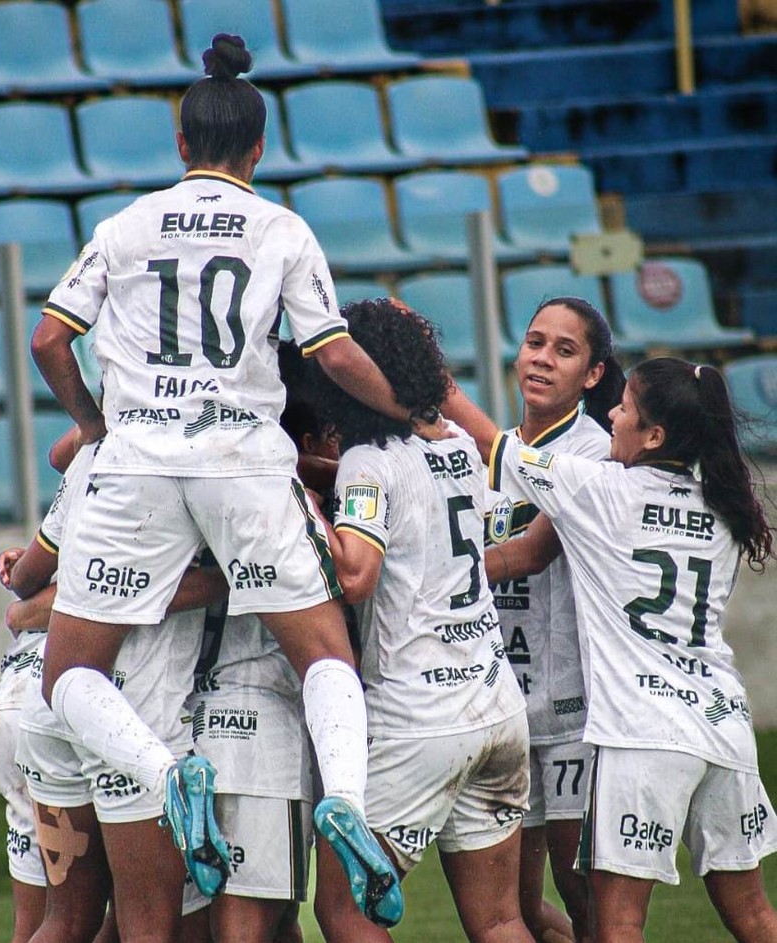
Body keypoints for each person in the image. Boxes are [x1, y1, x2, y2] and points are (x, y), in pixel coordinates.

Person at [30, 33, 443, 926]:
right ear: (259, 150)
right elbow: (332, 352)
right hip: (245, 461)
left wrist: (97, 427)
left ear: (181, 145)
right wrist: (407, 408)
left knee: (67, 670)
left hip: (138, 463)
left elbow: (48, 341)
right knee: (324, 652)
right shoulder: (282, 229)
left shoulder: (125, 225)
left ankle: (170, 771)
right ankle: (345, 801)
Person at [444, 357, 777, 943]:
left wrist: (432, 378)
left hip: (640, 736)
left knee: (617, 924)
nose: (613, 417)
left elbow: (490, 442)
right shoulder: (726, 506)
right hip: (724, 725)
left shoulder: (601, 490)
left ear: (654, 436)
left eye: (625, 408)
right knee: (753, 915)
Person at [305, 298, 533, 943]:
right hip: (494, 703)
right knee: (500, 918)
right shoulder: (457, 442)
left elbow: (356, 575)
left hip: (418, 717)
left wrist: (301, 502)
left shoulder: (367, 461)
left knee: (344, 911)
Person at [5, 436, 227, 943]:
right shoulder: (200, 461)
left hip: (52, 698)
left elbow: (25, 579)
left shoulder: (91, 456)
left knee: (68, 919)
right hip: (132, 721)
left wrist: (26, 597)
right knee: (149, 927)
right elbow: (246, 575)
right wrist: (231, 580)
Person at [179, 343, 338, 943]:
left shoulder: (186, 471)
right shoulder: (289, 500)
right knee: (247, 927)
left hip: (189, 719)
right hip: (261, 731)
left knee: (267, 924)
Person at [484, 297, 625, 943]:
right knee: (511, 903)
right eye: (535, 341)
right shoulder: (497, 451)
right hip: (504, 705)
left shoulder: (599, 452)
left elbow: (531, 554)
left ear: (592, 374)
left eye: (563, 349)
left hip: (574, 706)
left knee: (582, 895)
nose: (541, 358)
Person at [0, 564, 49, 943]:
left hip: (10, 700)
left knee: (38, 923)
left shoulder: (74, 507)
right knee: (81, 911)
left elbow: (20, 584)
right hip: (56, 701)